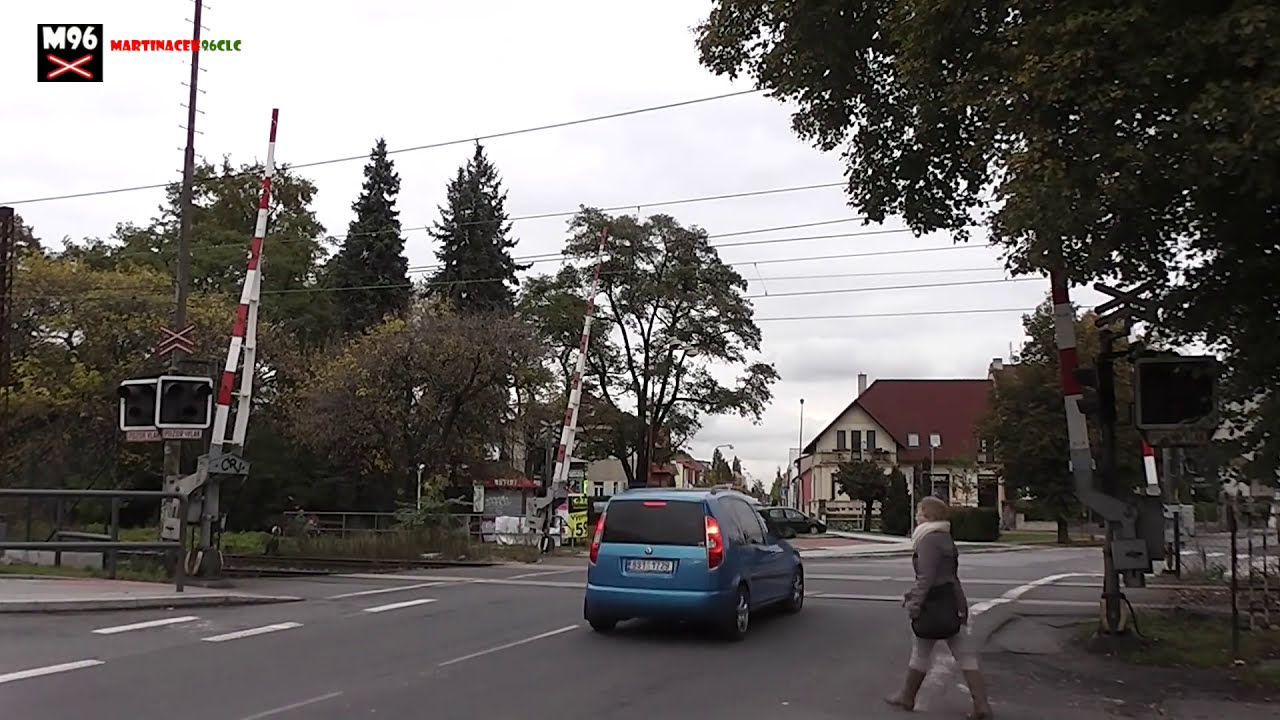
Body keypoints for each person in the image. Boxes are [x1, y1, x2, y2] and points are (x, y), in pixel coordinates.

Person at [885, 496, 993, 719]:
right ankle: (981, 705)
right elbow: (950, 576)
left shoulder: (928, 541)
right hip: (949, 601)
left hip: (933, 604)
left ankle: (906, 697)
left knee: (921, 651)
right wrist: (961, 605)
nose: (916, 516)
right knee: (964, 654)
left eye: (919, 512)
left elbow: (927, 577)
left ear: (928, 516)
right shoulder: (945, 538)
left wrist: (915, 604)